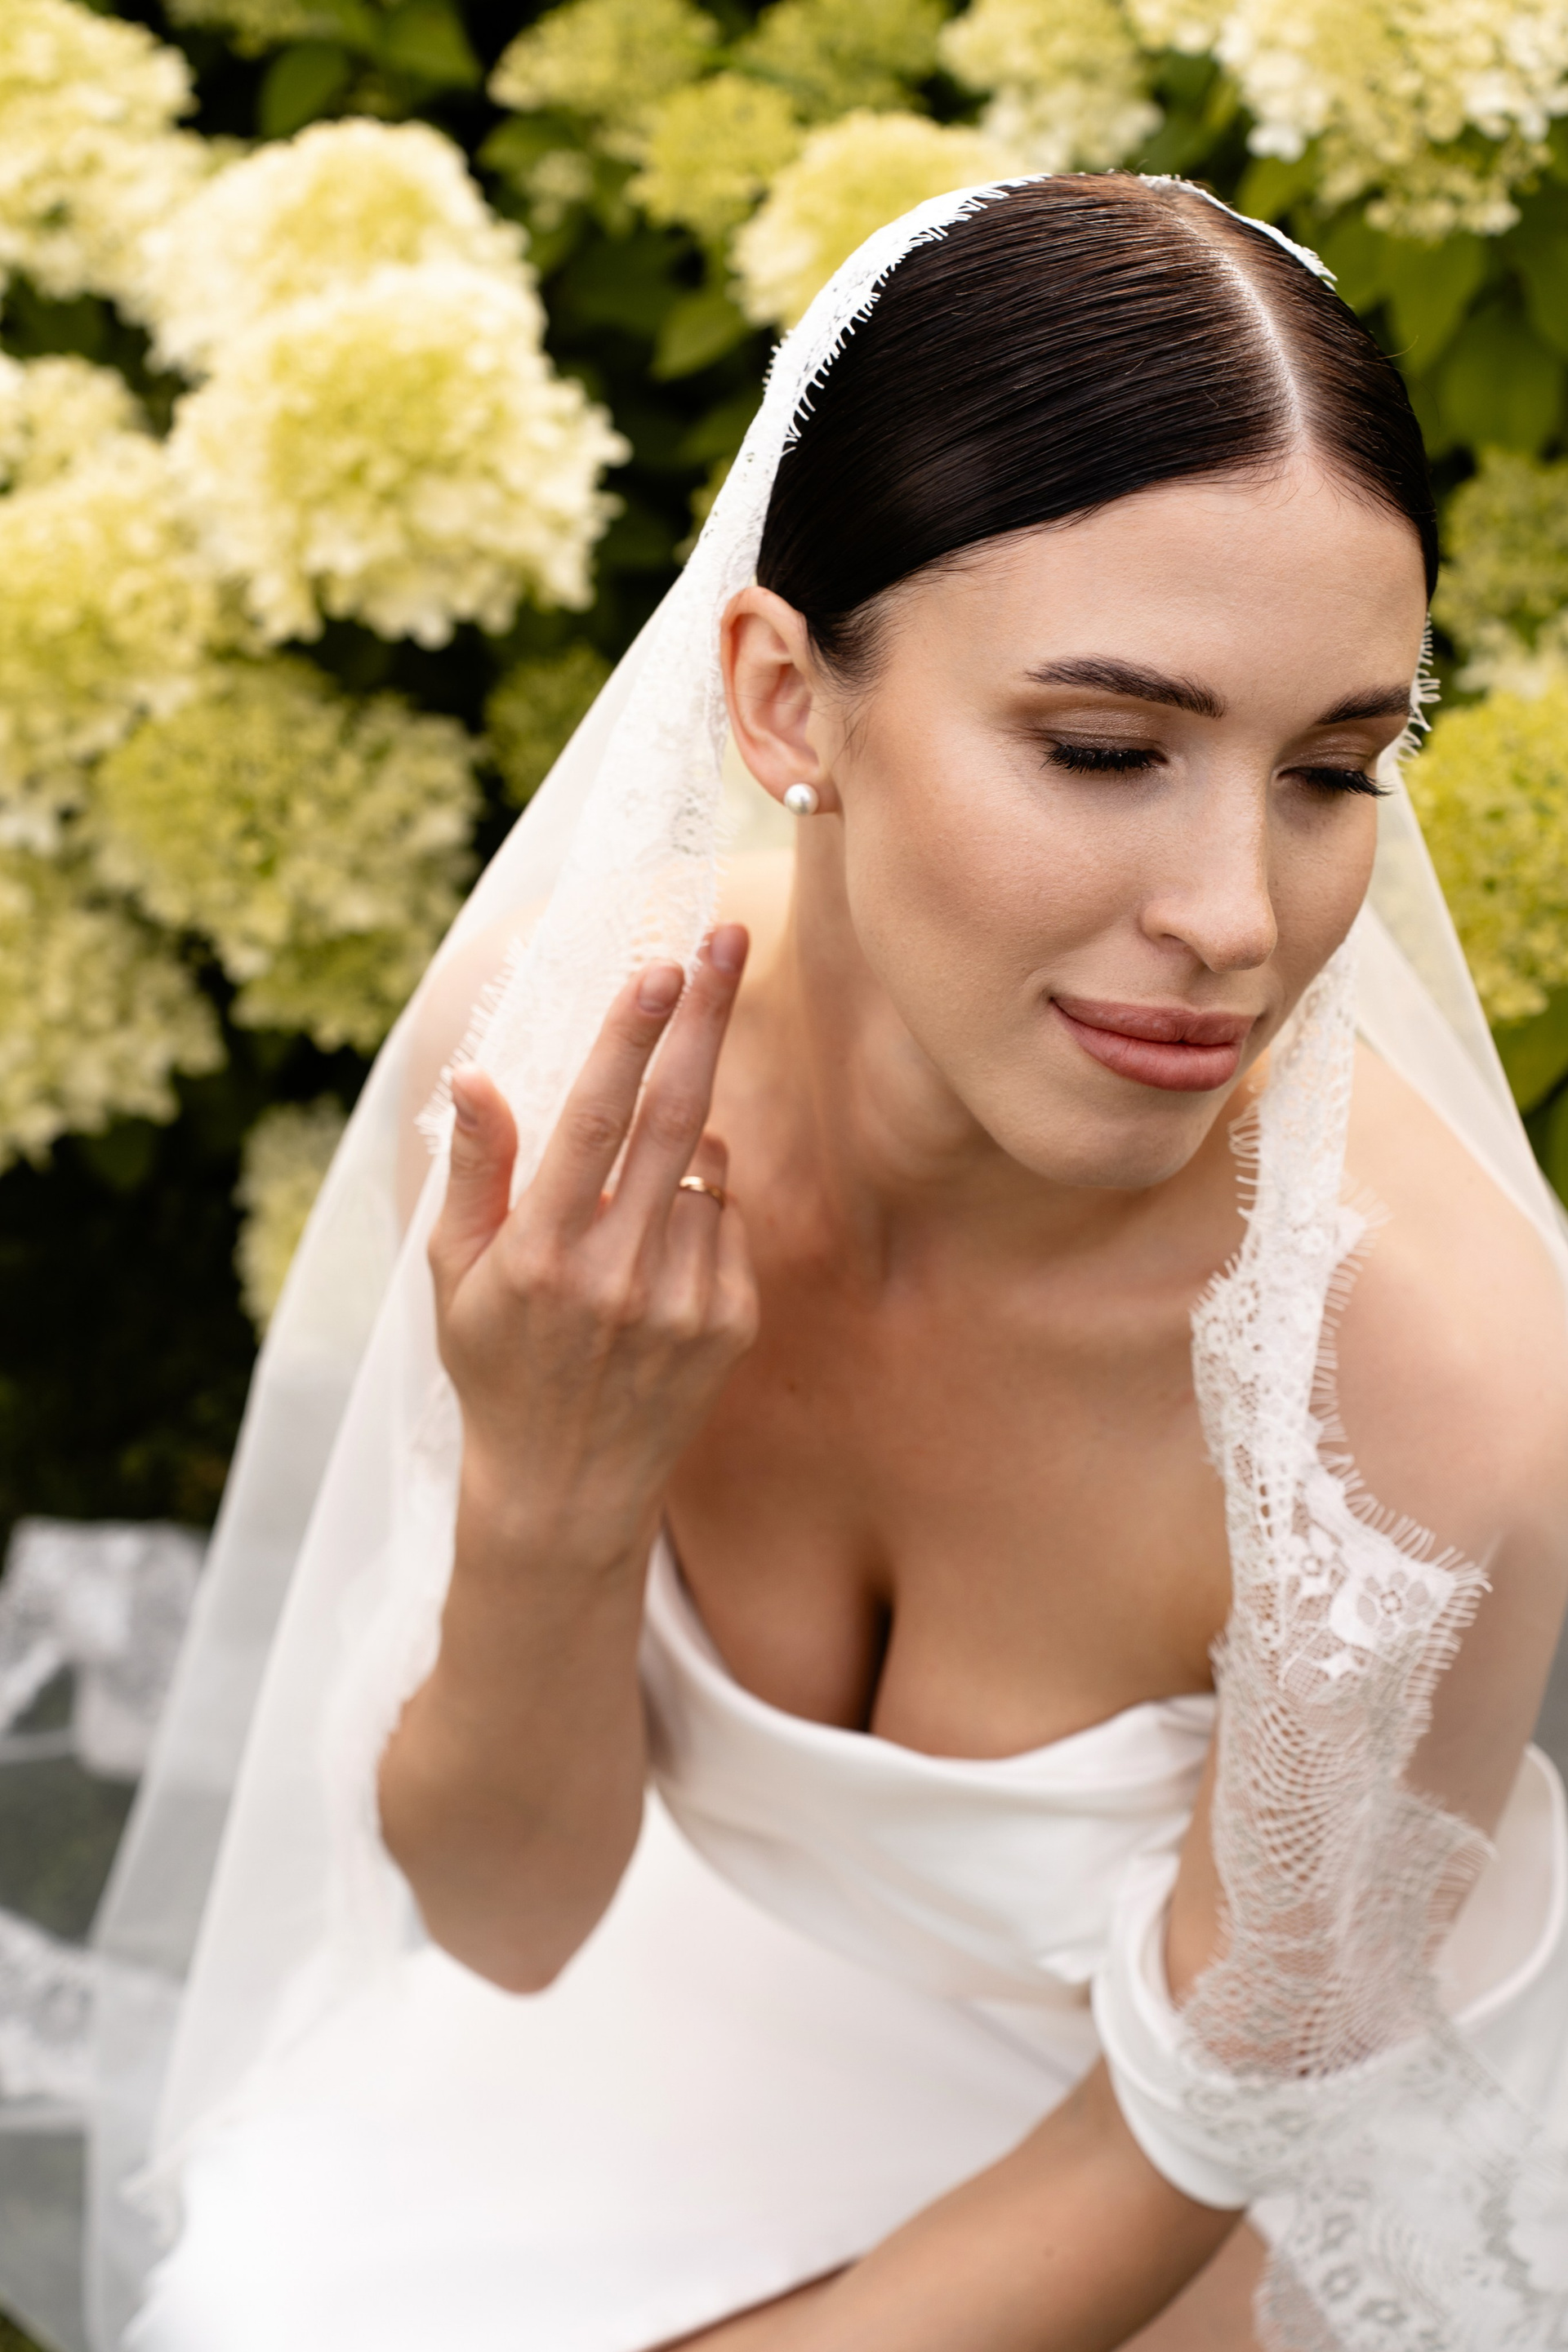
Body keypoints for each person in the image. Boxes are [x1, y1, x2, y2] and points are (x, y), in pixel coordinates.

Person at [109, 176, 1568, 2352]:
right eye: (1105, 750)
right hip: (691, 2003)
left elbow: (1203, 2147)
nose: (1237, 917)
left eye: (1336, 771)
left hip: (1199, 2200)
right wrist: (558, 1487)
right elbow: (507, 1918)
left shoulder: (1431, 1387)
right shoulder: (563, 1081)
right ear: (786, 700)